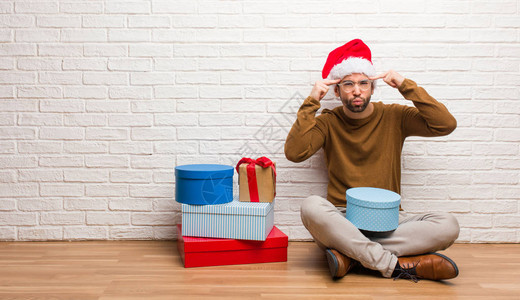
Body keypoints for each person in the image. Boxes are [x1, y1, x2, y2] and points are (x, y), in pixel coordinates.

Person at [284, 39, 460, 282]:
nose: (357, 90)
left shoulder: (395, 116)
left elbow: (445, 124)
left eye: (363, 83)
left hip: (390, 220)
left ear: (372, 87)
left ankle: (351, 256)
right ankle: (395, 266)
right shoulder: (328, 122)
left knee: (448, 224)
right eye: (348, 84)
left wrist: (405, 85)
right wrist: (311, 100)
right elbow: (295, 152)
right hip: (343, 219)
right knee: (311, 206)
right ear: (336, 90)